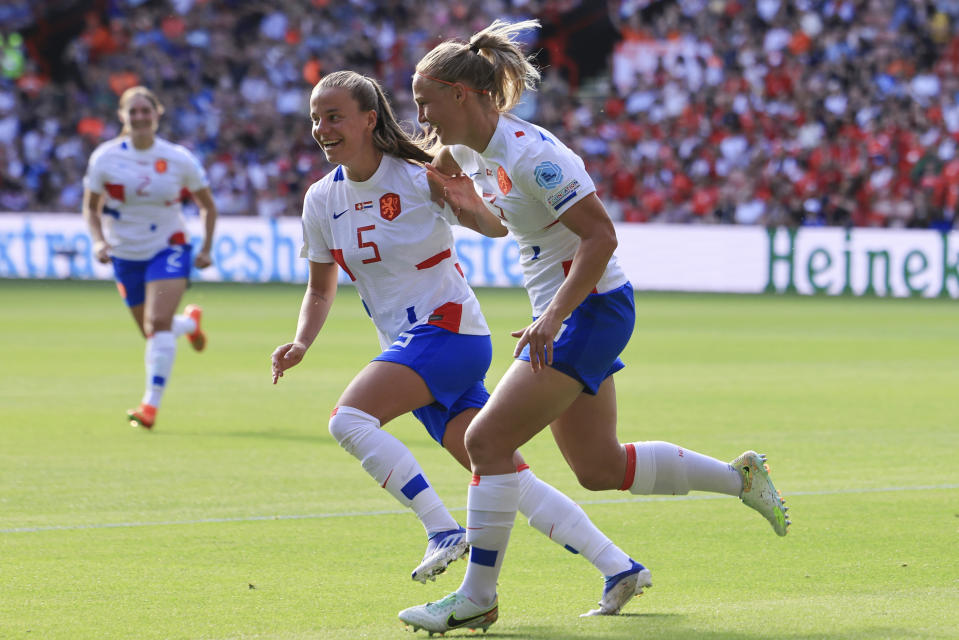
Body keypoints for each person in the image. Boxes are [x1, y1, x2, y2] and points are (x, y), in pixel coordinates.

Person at [398, 20, 791, 634]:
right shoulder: (471, 145)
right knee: (599, 468)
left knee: (486, 443)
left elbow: (601, 236)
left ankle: (478, 596)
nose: (421, 113)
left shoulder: (534, 155)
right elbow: (446, 175)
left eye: (426, 100)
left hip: (589, 310)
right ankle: (740, 478)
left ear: (464, 94)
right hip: (564, 312)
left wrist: (553, 317)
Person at [269, 70, 650, 614]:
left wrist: (468, 202)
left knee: (347, 420)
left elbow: (495, 226)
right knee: (501, 472)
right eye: (315, 118)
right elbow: (320, 287)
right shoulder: (320, 200)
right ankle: (619, 566)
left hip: (449, 330)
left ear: (369, 119)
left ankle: (443, 531)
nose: (321, 128)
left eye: (334, 117)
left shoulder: (417, 175)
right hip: (411, 345)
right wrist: (302, 341)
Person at [82, 86, 217, 430]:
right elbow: (90, 206)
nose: (140, 117)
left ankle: (149, 407)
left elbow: (207, 206)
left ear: (157, 114)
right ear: (123, 116)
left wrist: (205, 249)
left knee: (157, 325)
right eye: (134, 111)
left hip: (168, 245)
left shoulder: (178, 158)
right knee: (153, 332)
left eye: (146, 111)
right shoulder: (106, 158)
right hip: (125, 252)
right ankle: (188, 325)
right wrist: (98, 241)